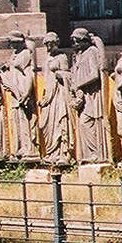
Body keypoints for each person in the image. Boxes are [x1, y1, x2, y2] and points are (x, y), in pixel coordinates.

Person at [69, 28, 111, 164]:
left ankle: (96, 154)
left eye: (77, 41)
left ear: (84, 41)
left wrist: (79, 84)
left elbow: (94, 74)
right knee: (83, 124)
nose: (75, 44)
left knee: (89, 122)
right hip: (83, 94)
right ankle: (88, 155)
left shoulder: (91, 52)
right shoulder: (80, 55)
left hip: (92, 94)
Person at [37, 33, 75, 164]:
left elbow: (68, 75)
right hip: (49, 95)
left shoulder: (62, 57)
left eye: (50, 44)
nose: (48, 47)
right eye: (46, 44)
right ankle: (51, 153)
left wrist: (60, 74)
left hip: (59, 95)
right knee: (46, 125)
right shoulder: (46, 59)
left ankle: (62, 154)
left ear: (56, 43)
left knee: (59, 123)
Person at [2, 32, 40, 161]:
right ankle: (20, 148)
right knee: (17, 121)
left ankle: (29, 149)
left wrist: (26, 93)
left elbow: (29, 73)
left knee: (25, 121)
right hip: (15, 93)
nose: (11, 45)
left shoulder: (25, 54)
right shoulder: (15, 54)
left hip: (23, 92)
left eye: (13, 42)